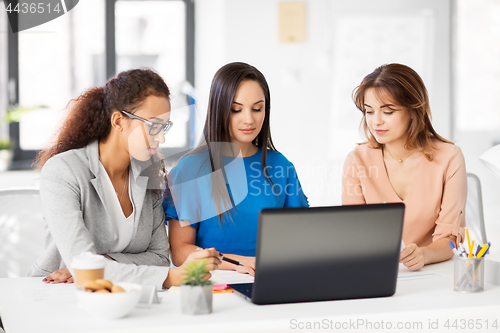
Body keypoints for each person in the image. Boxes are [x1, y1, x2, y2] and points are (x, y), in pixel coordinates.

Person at [27, 68, 220, 289]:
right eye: (153, 126)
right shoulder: (63, 171)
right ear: (118, 121)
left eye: (164, 126)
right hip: (55, 292)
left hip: (124, 294)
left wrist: (107, 261)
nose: (162, 137)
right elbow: (83, 266)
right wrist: (171, 278)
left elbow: (158, 258)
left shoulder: (151, 174)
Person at [164, 62, 309, 276]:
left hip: (271, 280)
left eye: (257, 108)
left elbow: (302, 238)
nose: (249, 119)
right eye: (236, 109)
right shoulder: (190, 169)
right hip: (213, 283)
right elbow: (180, 251)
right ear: (219, 110)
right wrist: (240, 263)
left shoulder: (281, 166)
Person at [342, 63, 466, 271]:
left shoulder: (449, 157)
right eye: (369, 112)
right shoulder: (356, 160)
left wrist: (423, 255)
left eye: (388, 111)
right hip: (374, 269)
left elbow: (451, 238)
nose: (376, 122)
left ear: (413, 110)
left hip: (432, 270)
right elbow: (352, 233)